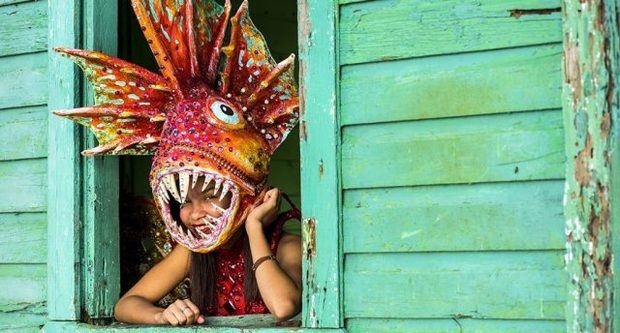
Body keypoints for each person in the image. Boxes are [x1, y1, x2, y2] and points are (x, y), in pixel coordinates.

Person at [114, 176, 302, 326]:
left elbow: (283, 307)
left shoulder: (287, 247)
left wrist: (254, 226)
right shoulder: (195, 250)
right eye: (185, 201)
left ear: (246, 196)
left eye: (210, 196)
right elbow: (126, 305)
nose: (195, 214)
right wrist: (161, 316)